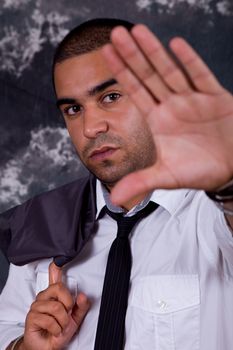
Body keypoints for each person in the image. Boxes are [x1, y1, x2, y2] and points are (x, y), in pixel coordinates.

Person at [0, 17, 233, 350]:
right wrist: (25, 347)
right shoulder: (44, 224)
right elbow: (5, 328)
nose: (90, 126)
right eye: (73, 108)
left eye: (110, 96)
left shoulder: (213, 213)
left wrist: (229, 180)